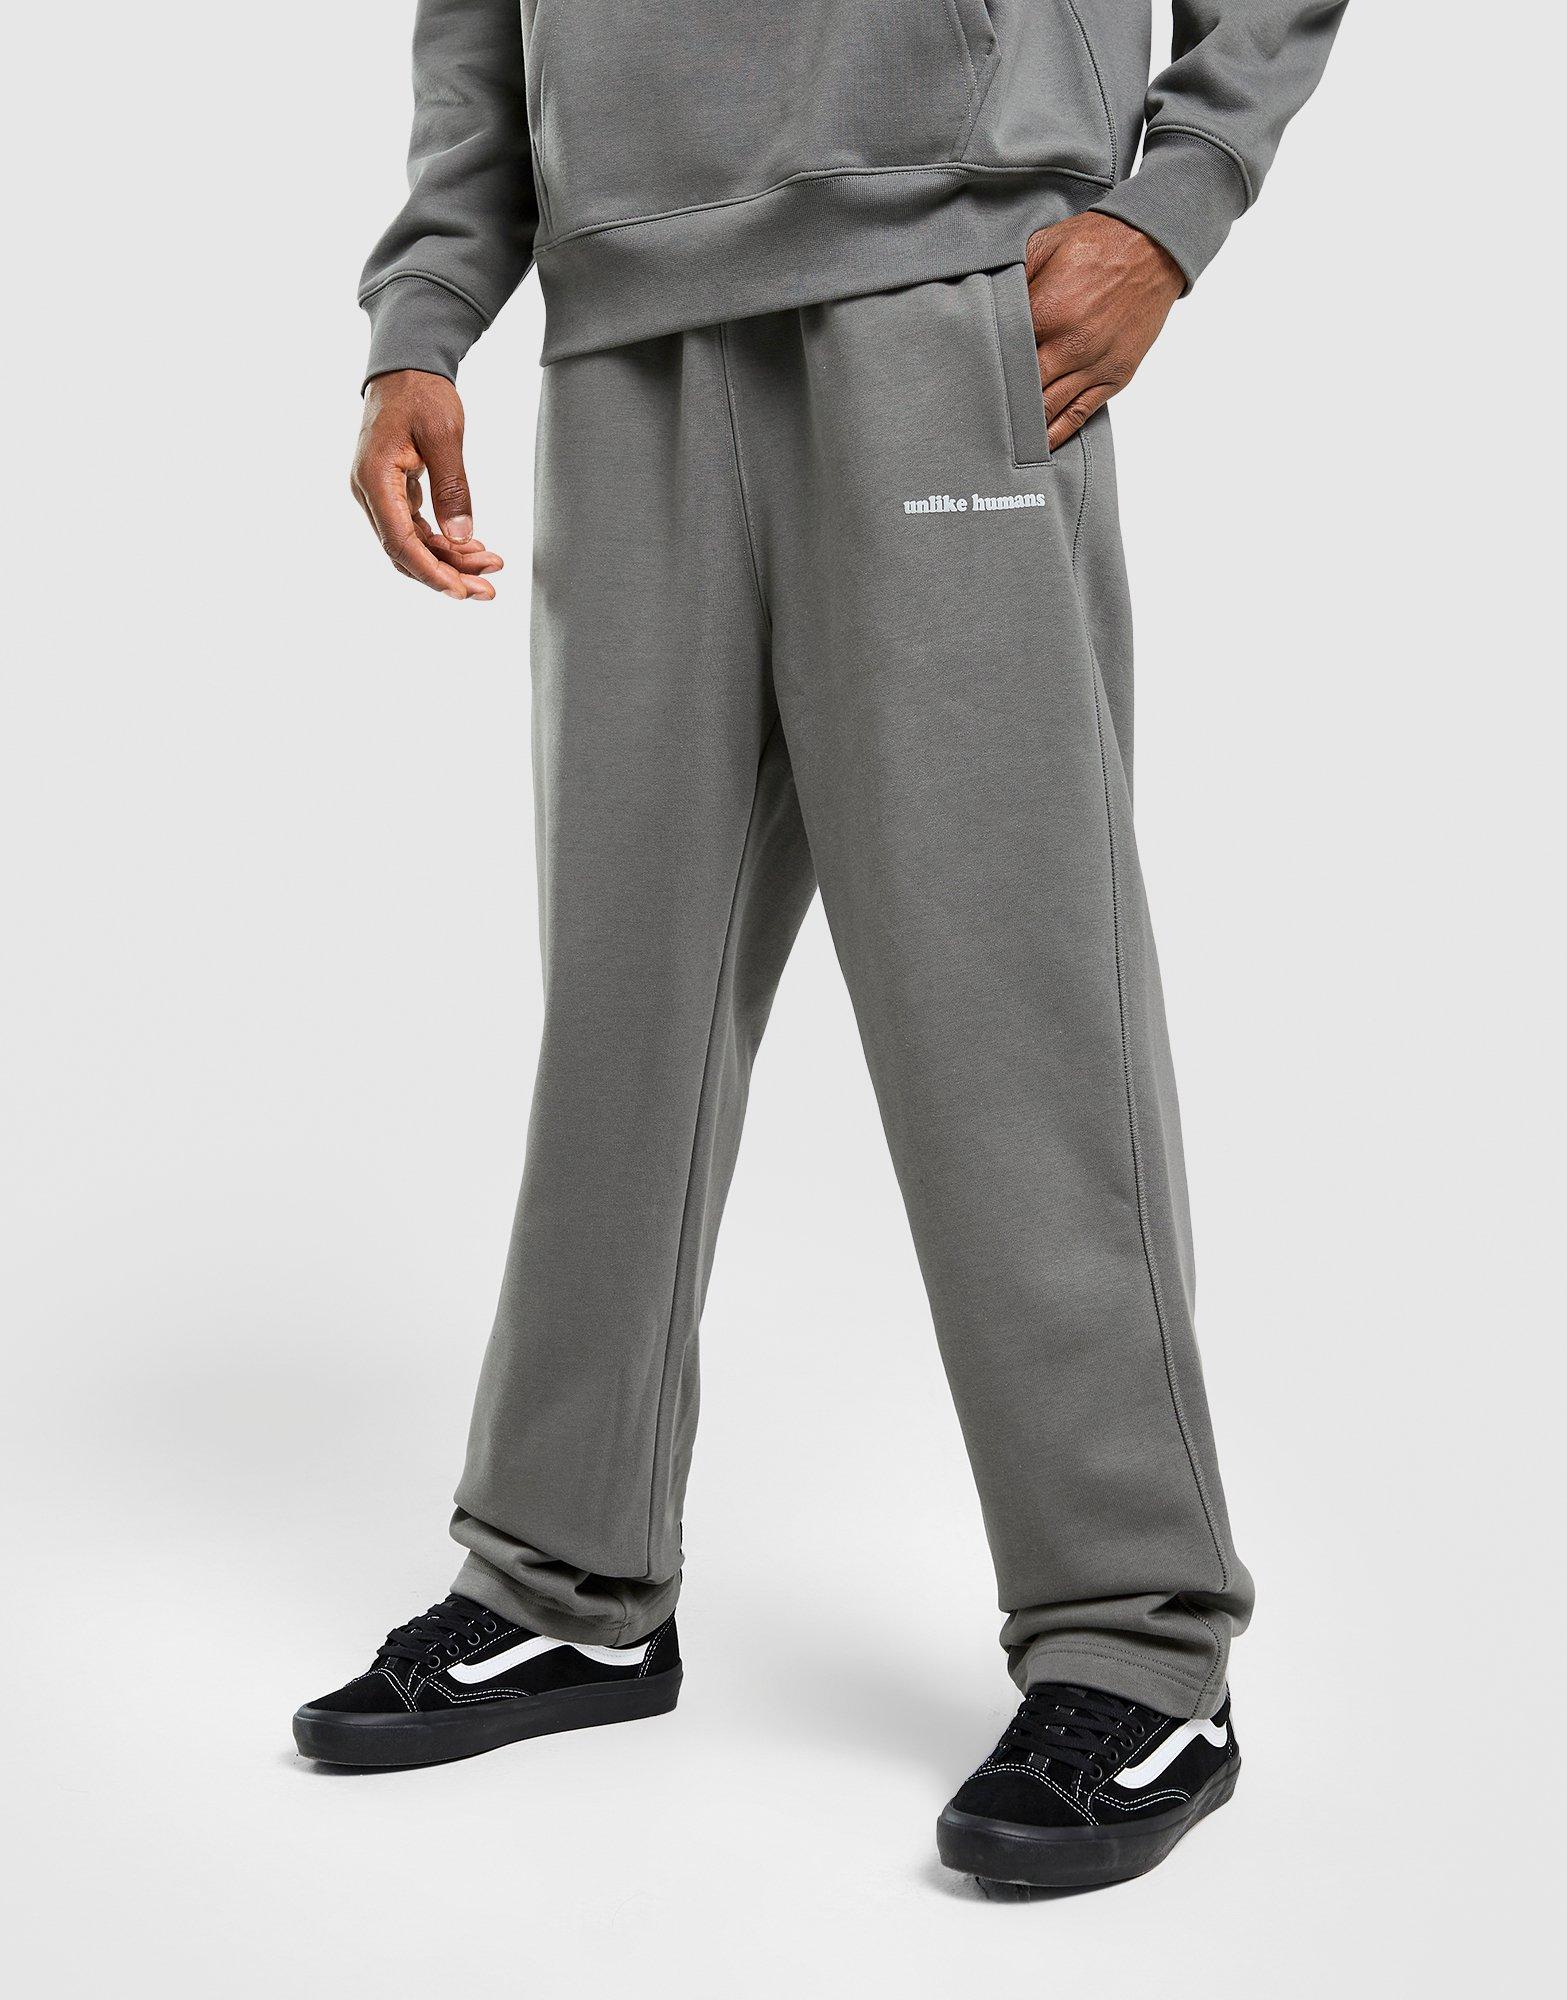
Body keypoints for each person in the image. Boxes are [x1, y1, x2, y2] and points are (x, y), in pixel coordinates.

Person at [296, 0, 1345, 1891]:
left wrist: (1178, 198)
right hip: (621, 329)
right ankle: (567, 1579)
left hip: (949, 292)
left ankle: (1137, 1638)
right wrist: (426, 310)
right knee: (627, 1008)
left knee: (1007, 995)